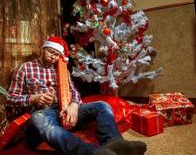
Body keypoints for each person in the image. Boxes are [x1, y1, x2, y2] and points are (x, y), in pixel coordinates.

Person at [7, 36, 146, 155]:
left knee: (102, 106)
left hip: (65, 109)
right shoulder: (25, 68)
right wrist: (33, 98)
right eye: (50, 52)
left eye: (57, 55)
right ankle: (92, 152)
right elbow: (10, 98)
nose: (53, 57)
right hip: (42, 113)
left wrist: (74, 105)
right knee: (40, 120)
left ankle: (115, 142)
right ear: (42, 49)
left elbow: (74, 92)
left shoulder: (61, 70)